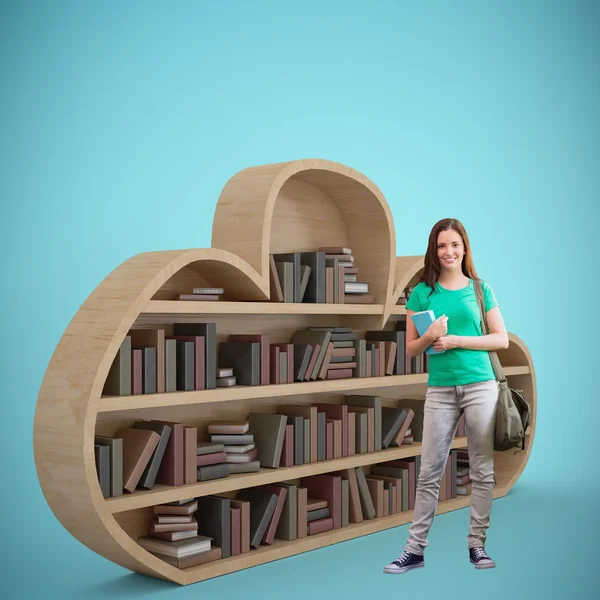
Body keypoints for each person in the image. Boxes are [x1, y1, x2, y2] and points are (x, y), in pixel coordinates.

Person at [383, 218, 509, 574]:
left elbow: (501, 339)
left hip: (480, 384)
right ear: (433, 251)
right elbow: (410, 349)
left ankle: (477, 546)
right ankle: (414, 550)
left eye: (454, 244)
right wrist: (432, 334)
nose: (448, 251)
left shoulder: (481, 290)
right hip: (440, 389)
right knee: (429, 472)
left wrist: (455, 340)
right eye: (441, 246)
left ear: (464, 248)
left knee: (481, 470)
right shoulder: (422, 292)